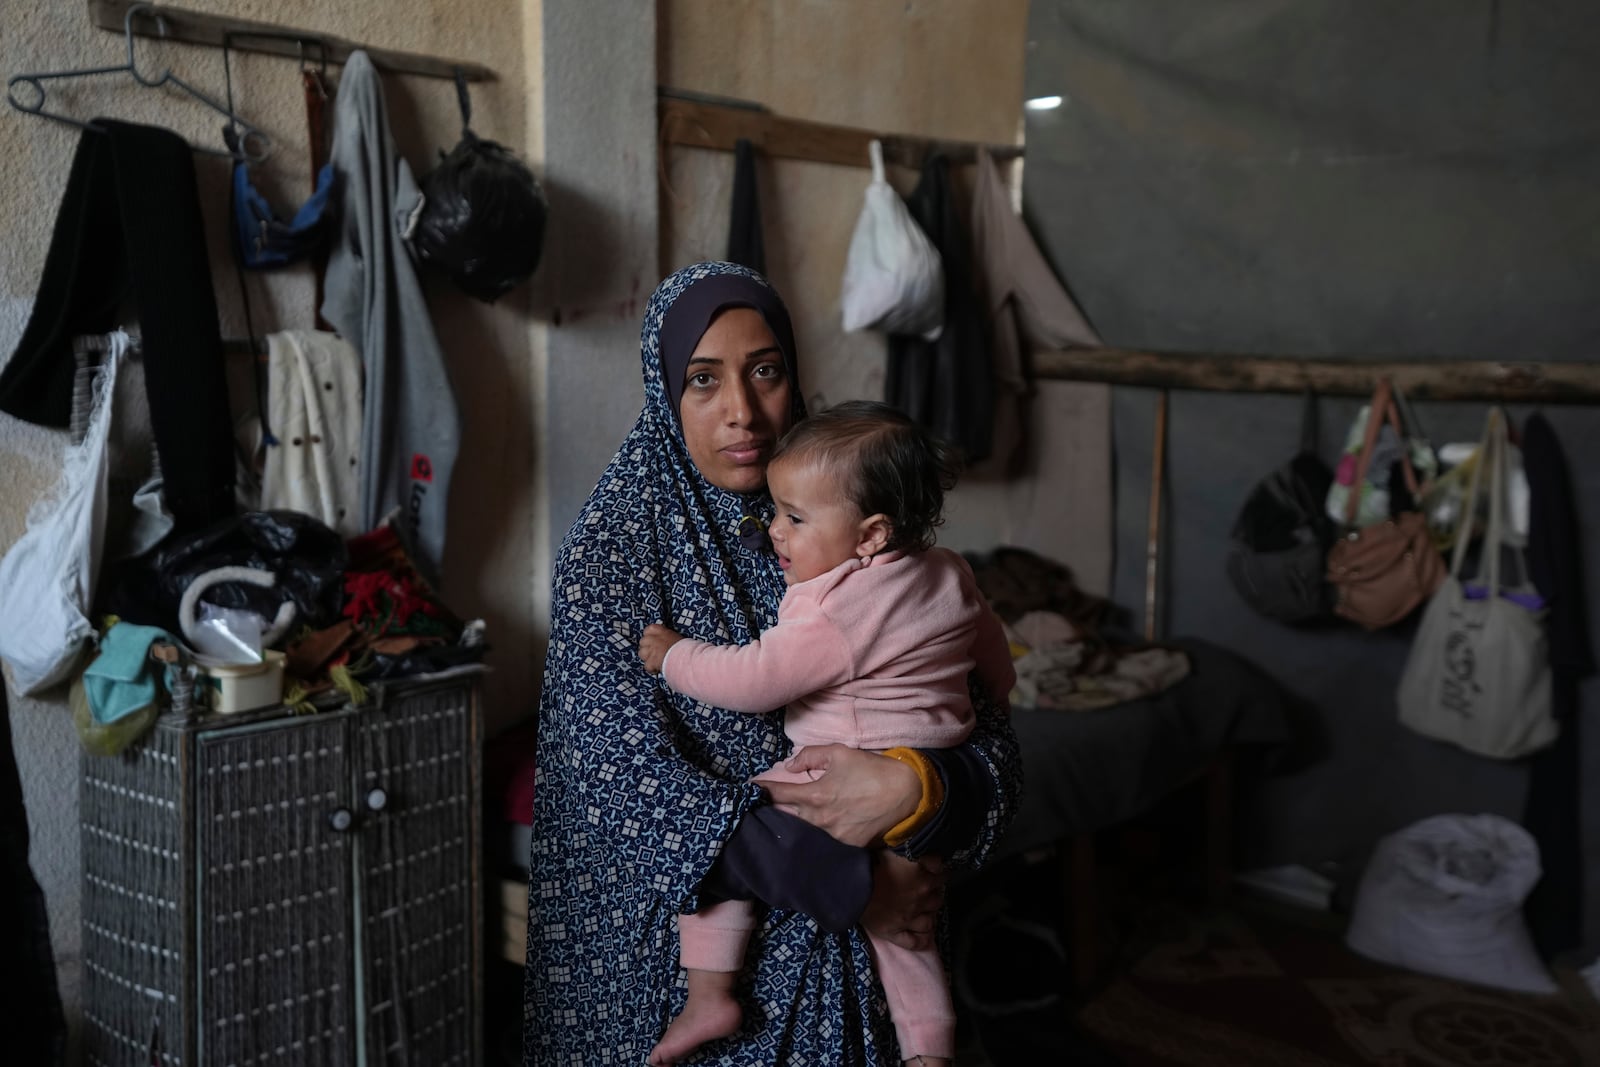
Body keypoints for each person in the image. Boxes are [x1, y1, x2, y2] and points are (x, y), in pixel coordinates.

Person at [525, 262, 1021, 1066]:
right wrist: (857, 883)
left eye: (765, 371)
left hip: (860, 978)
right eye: (702, 380)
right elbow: (619, 780)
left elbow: (989, 728)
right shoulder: (613, 553)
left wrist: (920, 787)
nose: (742, 412)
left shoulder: (855, 513)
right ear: (663, 392)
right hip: (686, 976)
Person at [638, 400, 1016, 1066]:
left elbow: (756, 677)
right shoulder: (952, 571)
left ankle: (709, 993)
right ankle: (930, 1049)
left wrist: (673, 655)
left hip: (838, 771)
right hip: (932, 781)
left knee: (720, 843)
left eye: (795, 517)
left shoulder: (833, 608)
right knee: (910, 934)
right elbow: (992, 653)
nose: (776, 530)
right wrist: (1000, 690)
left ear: (869, 536)